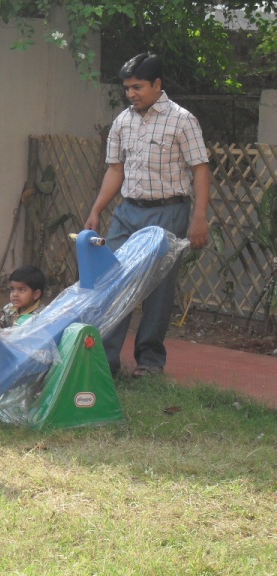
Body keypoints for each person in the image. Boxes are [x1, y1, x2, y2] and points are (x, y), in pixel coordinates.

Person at [84, 52, 211, 378]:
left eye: (137, 87)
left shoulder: (183, 120)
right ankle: (105, 363)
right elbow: (116, 170)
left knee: (158, 289)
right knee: (111, 283)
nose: (131, 94)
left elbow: (200, 170)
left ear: (157, 84)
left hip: (169, 212)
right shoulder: (122, 121)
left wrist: (199, 217)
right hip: (128, 213)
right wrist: (97, 210)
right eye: (127, 88)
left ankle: (150, 363)